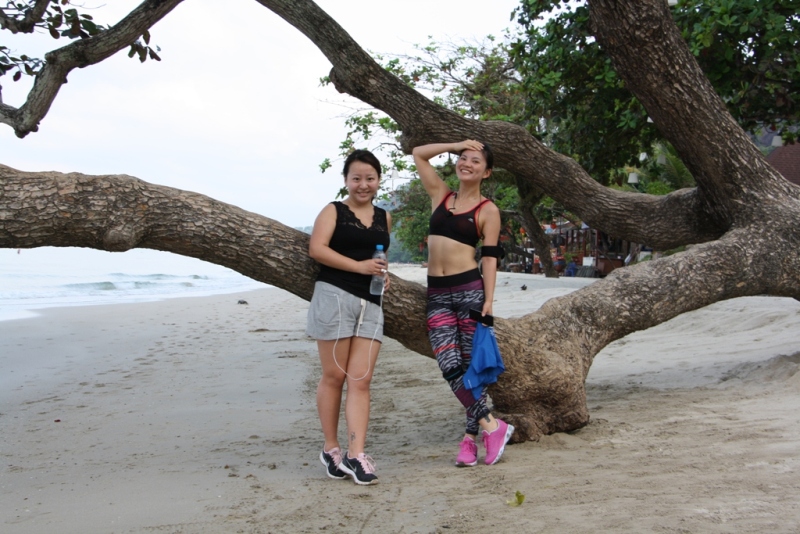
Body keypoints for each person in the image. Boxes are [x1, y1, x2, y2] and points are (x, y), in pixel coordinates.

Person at [412, 139, 515, 467]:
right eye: (463, 158)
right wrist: (456, 143)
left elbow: (489, 257)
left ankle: (470, 441)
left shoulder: (488, 210)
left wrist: (488, 299)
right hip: (438, 295)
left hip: (470, 291)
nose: (467, 163)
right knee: (450, 365)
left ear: (487, 172)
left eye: (475, 161)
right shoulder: (441, 195)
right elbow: (419, 154)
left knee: (472, 369)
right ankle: (492, 426)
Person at [306, 149, 391, 485]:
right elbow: (318, 249)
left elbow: (377, 255)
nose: (363, 184)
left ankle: (357, 455)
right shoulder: (333, 211)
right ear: (346, 180)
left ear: (378, 180)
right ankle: (331, 448)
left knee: (362, 379)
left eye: (370, 178)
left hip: (371, 302)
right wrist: (359, 267)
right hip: (334, 297)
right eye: (356, 178)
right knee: (334, 376)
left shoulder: (385, 216)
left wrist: (384, 273)